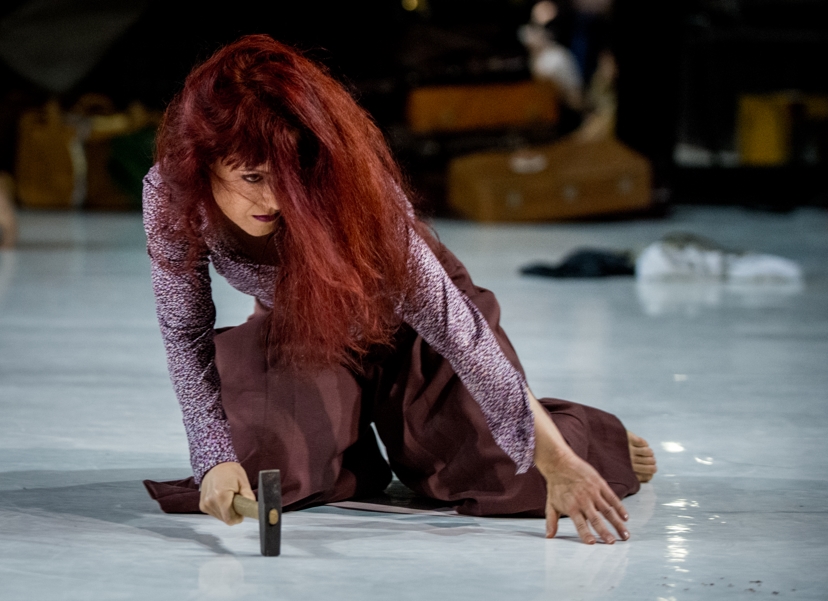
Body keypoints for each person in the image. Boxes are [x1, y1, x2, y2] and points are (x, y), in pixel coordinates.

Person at [141, 35, 656, 546]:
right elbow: (186, 335)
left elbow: (460, 336)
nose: (275, 200)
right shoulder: (170, 195)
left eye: (290, 176)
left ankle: (583, 435)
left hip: (414, 327)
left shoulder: (358, 192)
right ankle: (345, 452)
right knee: (262, 467)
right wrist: (214, 458)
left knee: (513, 476)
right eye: (252, 178)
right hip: (308, 328)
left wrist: (558, 460)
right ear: (202, 161)